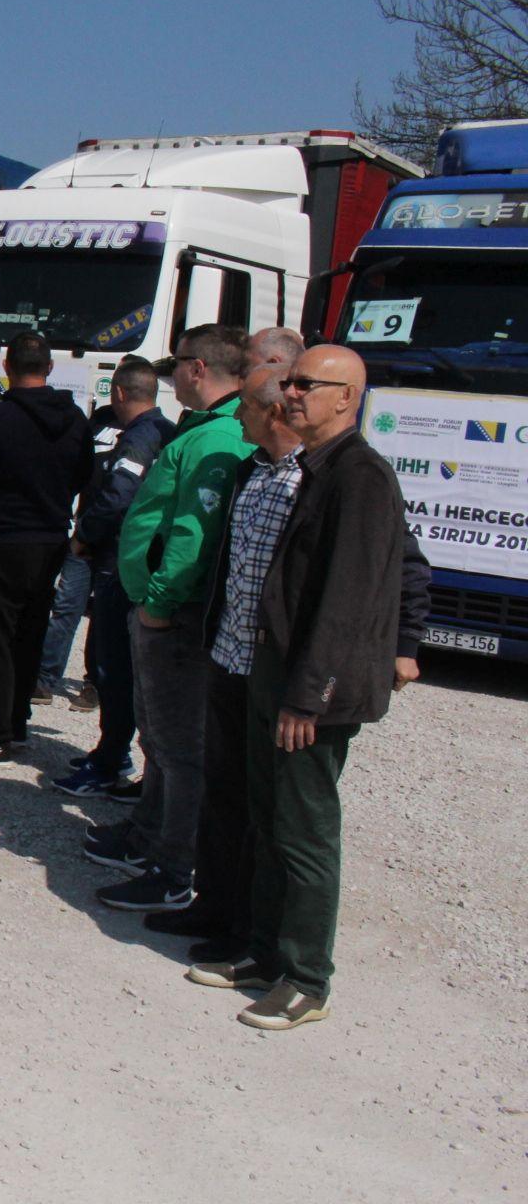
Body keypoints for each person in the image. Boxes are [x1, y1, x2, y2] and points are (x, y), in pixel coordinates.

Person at [185, 346, 423, 1031]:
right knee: (265, 817)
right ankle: (262, 953)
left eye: (304, 385)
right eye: (287, 383)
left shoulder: (361, 477)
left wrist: (305, 696)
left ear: (346, 398)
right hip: (269, 671)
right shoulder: (315, 469)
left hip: (307, 690)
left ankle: (306, 977)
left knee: (303, 830)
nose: (289, 394)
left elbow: (347, 600)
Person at [83, 325, 252, 910]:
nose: (169, 377)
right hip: (157, 609)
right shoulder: (200, 430)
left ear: (199, 369)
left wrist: (157, 601)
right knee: (158, 737)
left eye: (176, 366)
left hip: (172, 617)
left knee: (179, 747)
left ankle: (174, 867)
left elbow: (192, 535)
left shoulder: (215, 439)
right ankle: (148, 833)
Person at [0, 331, 93, 762]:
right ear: (49, 367)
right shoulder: (75, 418)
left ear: (6, 367)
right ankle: (17, 723)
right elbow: (84, 474)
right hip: (49, 538)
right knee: (29, 633)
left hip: (4, 538)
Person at [50, 357, 175, 797]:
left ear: (119, 393)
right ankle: (112, 749)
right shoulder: (161, 430)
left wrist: (84, 535)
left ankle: (108, 763)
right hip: (125, 559)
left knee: (112, 666)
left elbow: (119, 495)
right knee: (113, 664)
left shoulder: (142, 437)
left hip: (119, 560)